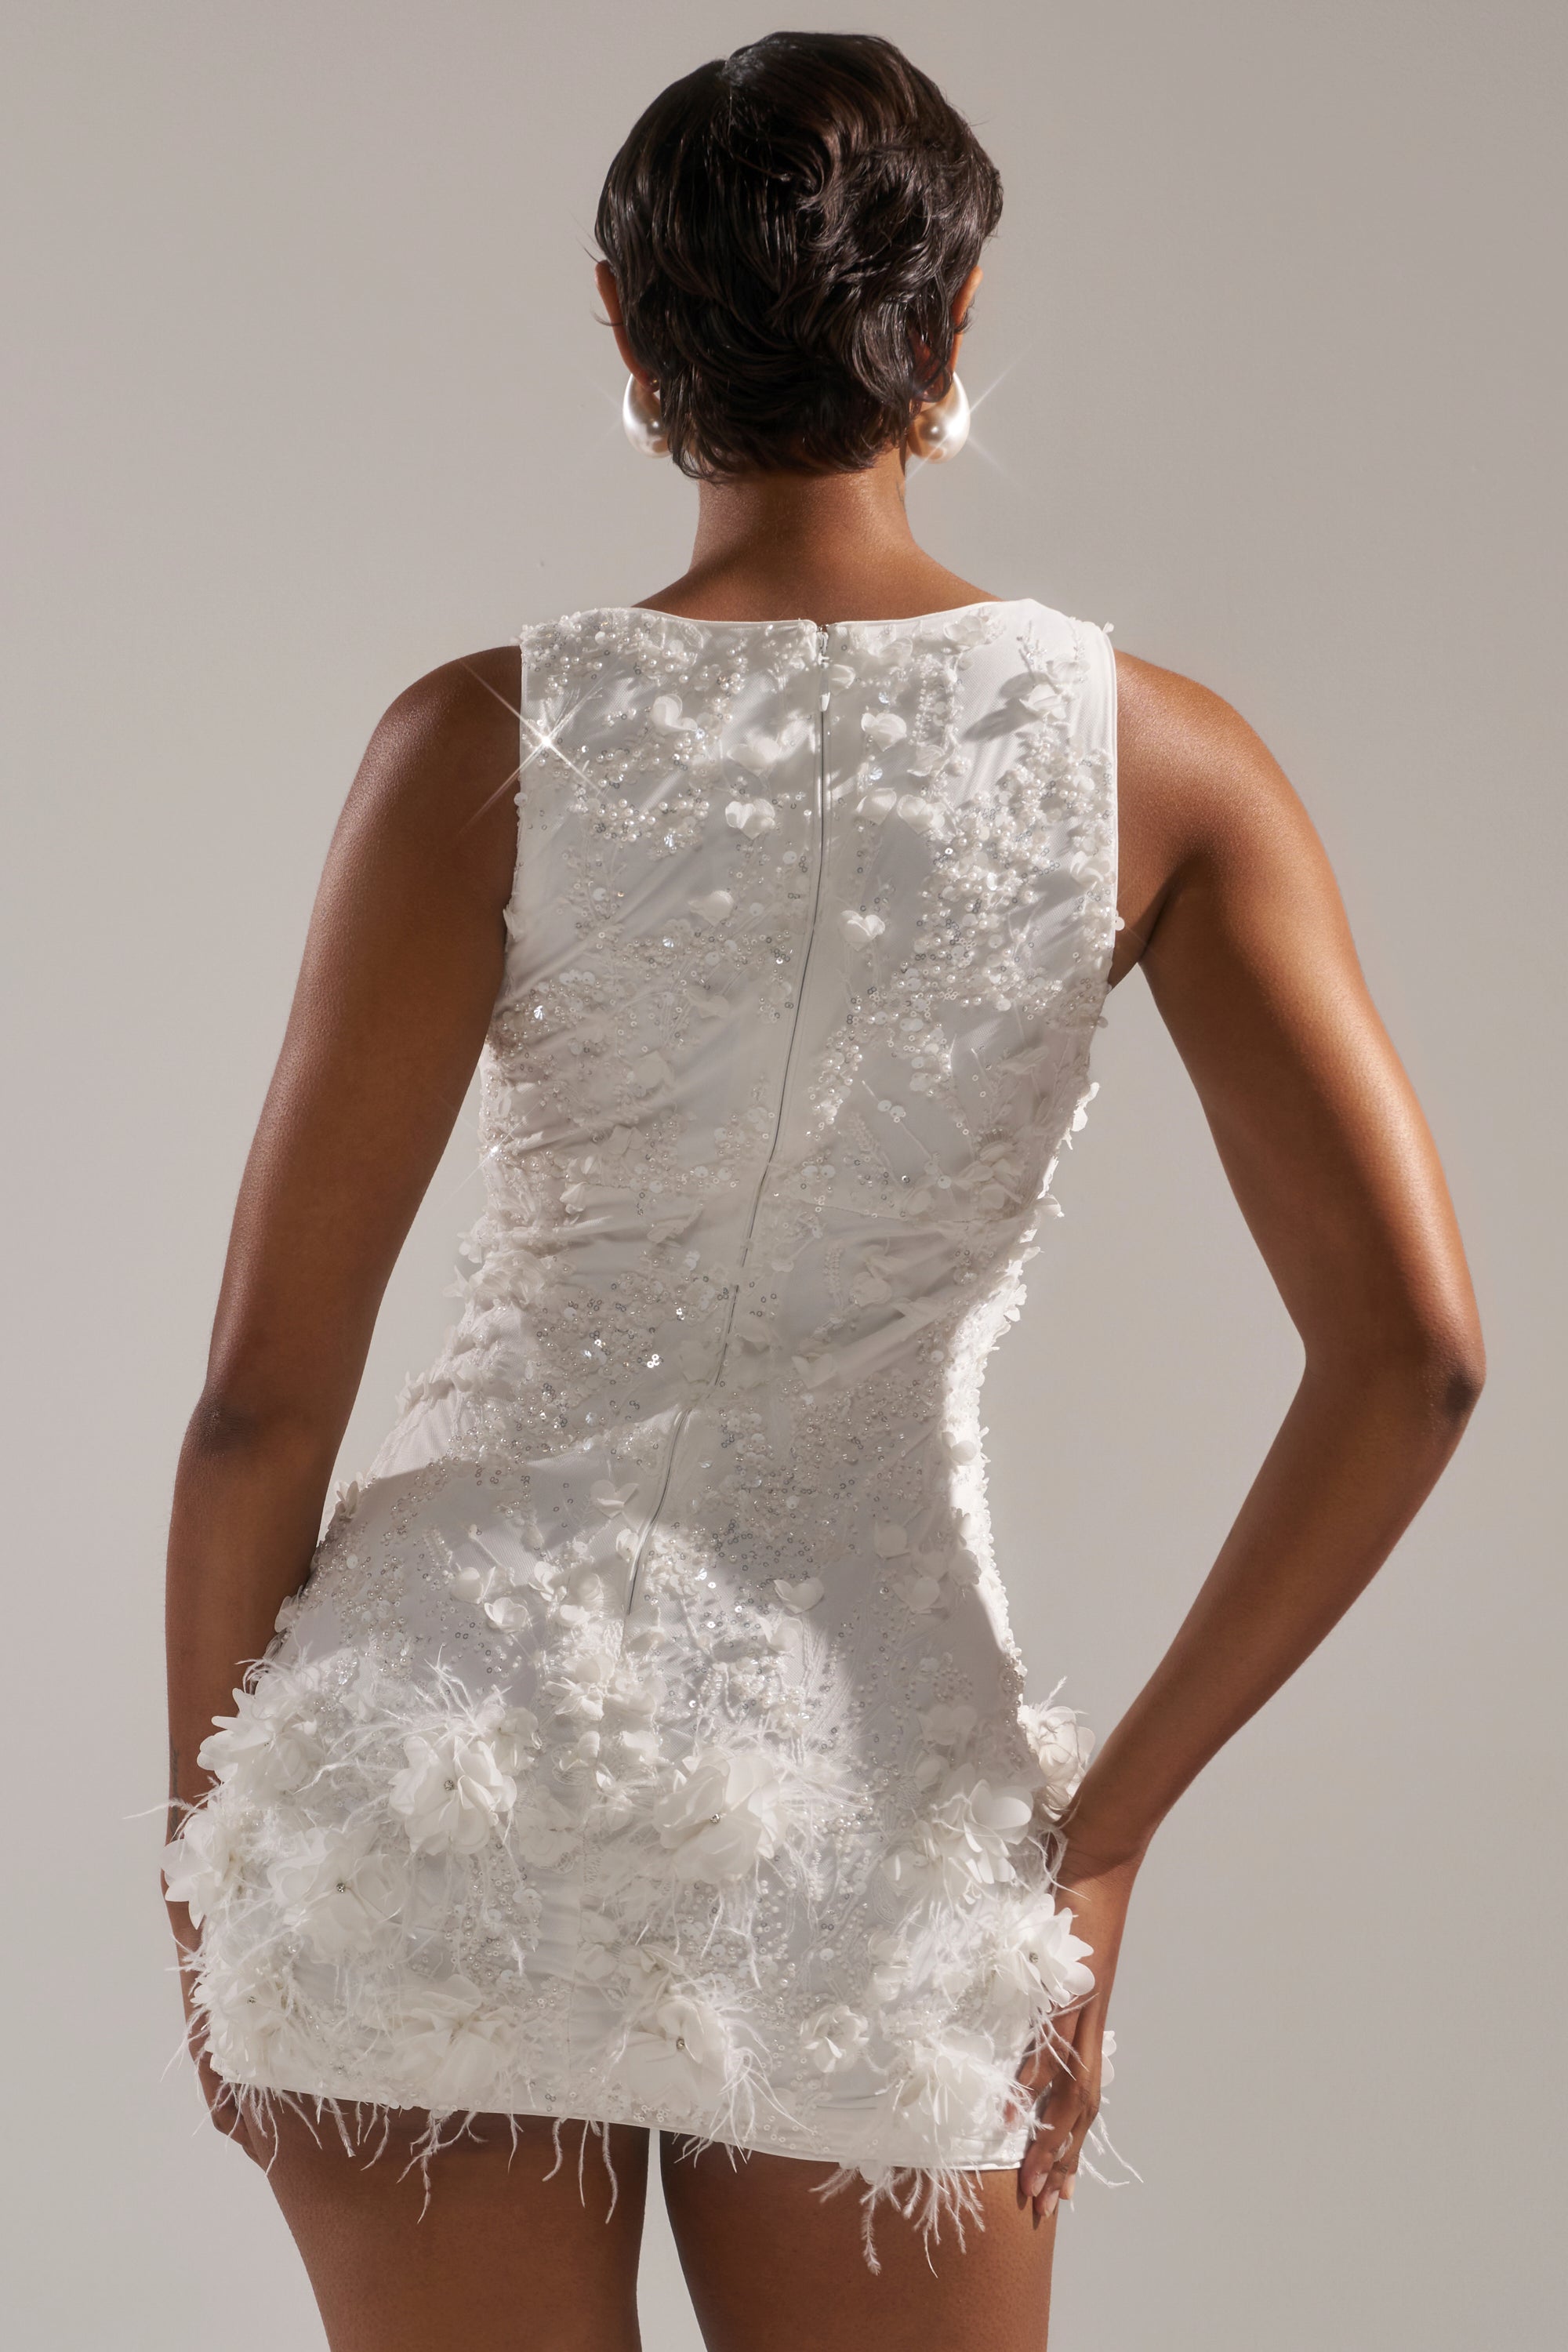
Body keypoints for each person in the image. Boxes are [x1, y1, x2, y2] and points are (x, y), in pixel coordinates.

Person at [162, 31, 1483, 2352]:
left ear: (621, 319)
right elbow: (1418, 1358)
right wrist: (1104, 1839)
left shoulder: (480, 737)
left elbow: (261, 1412)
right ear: (955, 322)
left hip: (440, 1757)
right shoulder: (1166, 763)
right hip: (864, 1795)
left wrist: (213, 1876)